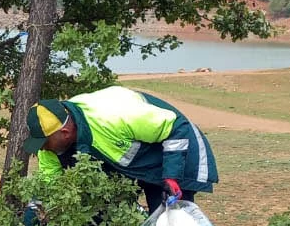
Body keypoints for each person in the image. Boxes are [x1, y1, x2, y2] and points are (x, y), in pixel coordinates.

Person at [23, 85, 217, 213]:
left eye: (44, 142)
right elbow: (47, 191)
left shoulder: (111, 117)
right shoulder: (50, 149)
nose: (42, 149)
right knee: (103, 224)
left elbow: (176, 127)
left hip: (176, 154)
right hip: (136, 165)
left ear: (65, 133)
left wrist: (172, 176)